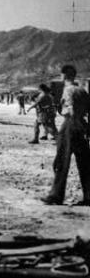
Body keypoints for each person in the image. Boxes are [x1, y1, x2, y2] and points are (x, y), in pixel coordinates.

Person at [41, 65, 90, 206]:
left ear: (64, 75)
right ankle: (88, 196)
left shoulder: (68, 90)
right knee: (85, 163)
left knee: (61, 161)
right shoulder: (82, 90)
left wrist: (72, 120)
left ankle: (56, 195)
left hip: (70, 126)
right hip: (82, 127)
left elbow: (71, 108)